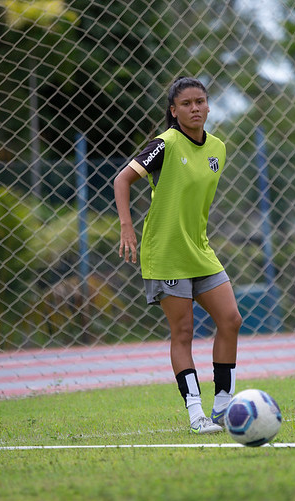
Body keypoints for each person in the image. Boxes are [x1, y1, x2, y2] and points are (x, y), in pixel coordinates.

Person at [113, 76, 242, 435]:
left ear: (209, 106)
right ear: (174, 111)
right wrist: (127, 227)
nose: (195, 108)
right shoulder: (164, 144)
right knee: (183, 331)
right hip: (166, 253)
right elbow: (121, 180)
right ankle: (196, 414)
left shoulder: (218, 148)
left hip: (199, 249)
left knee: (230, 319)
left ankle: (223, 405)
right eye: (186, 104)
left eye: (200, 101)